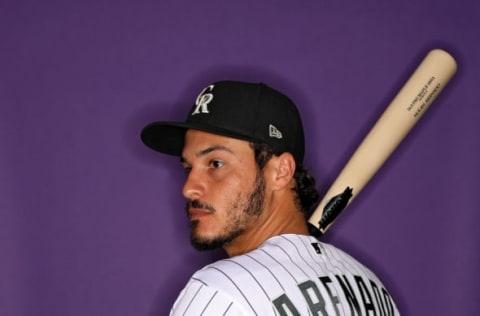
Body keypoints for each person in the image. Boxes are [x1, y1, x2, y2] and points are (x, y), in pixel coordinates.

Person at [141, 80, 400, 315]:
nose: (189, 188)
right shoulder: (375, 289)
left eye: (216, 163)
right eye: (188, 168)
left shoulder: (221, 292)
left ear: (280, 171)